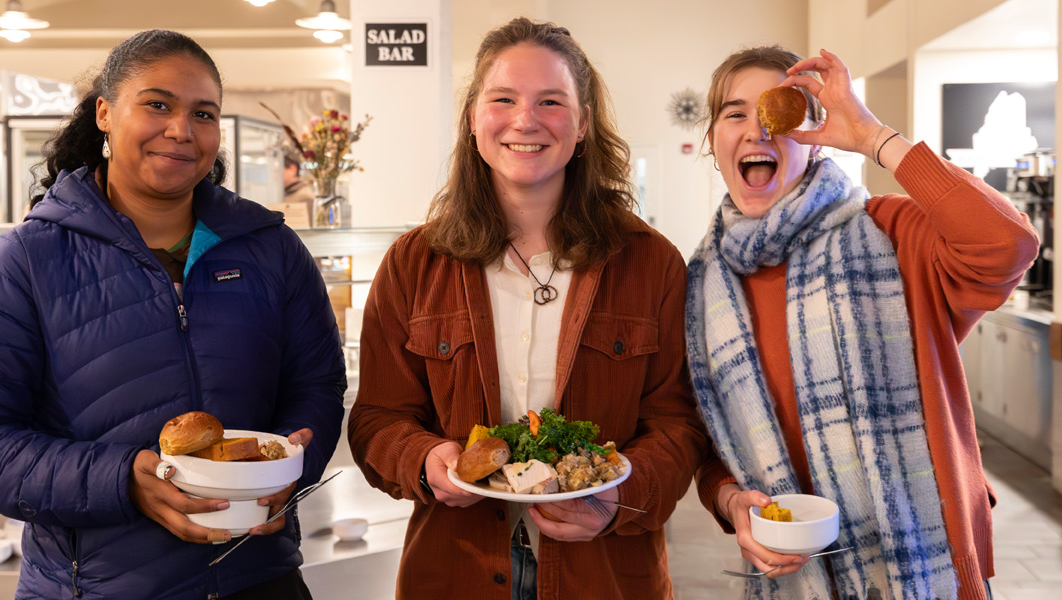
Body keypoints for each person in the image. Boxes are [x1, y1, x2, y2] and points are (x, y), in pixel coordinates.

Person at [0, 29, 345, 599]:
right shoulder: (23, 262)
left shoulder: (271, 249)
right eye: (157, 105)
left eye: (203, 113)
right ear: (104, 113)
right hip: (97, 587)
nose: (182, 130)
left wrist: (288, 469)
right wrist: (120, 480)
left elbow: (316, 385)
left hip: (258, 578)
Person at [347, 17, 709, 600]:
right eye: (504, 99)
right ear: (473, 118)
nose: (525, 120)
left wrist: (617, 496)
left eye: (551, 101)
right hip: (454, 569)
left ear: (583, 124)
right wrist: (424, 458)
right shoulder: (413, 263)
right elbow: (377, 417)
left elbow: (679, 424)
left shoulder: (650, 262)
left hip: (605, 575)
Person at [686, 46, 1039, 600]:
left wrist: (875, 137)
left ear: (812, 136)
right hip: (794, 573)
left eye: (776, 111)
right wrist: (730, 501)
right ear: (713, 141)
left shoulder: (889, 231)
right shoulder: (702, 287)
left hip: (928, 566)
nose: (757, 129)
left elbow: (1007, 244)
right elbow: (708, 440)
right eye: (735, 113)